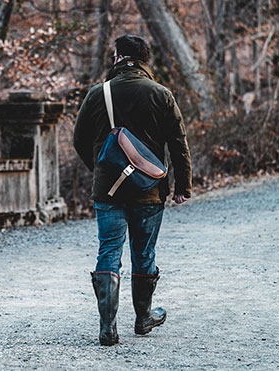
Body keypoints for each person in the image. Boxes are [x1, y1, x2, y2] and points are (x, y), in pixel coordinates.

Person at [73, 35, 192, 346]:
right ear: (145, 61)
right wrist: (182, 186)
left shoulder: (98, 94)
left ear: (117, 58)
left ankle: (107, 329)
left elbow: (79, 140)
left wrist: (101, 169)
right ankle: (143, 318)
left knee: (108, 252)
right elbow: (179, 145)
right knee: (143, 253)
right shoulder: (161, 94)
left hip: (108, 192)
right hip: (149, 190)